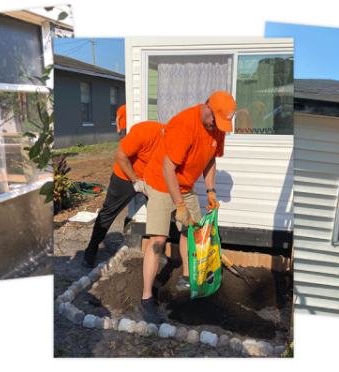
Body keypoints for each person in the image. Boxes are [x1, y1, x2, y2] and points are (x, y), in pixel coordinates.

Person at [137, 91, 234, 324]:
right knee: (158, 240)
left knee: (190, 230)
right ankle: (146, 298)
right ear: (208, 108)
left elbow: (211, 159)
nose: (216, 126)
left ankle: (187, 277)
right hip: (162, 183)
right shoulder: (184, 125)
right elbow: (167, 169)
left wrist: (210, 191)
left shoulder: (216, 128)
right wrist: (179, 205)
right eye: (215, 120)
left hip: (186, 184)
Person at [82, 121, 164, 268]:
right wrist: (136, 181)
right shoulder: (145, 131)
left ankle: (159, 251)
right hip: (125, 176)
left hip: (151, 178)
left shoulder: (176, 141)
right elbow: (119, 155)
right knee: (108, 212)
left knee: (162, 211)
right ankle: (91, 248)